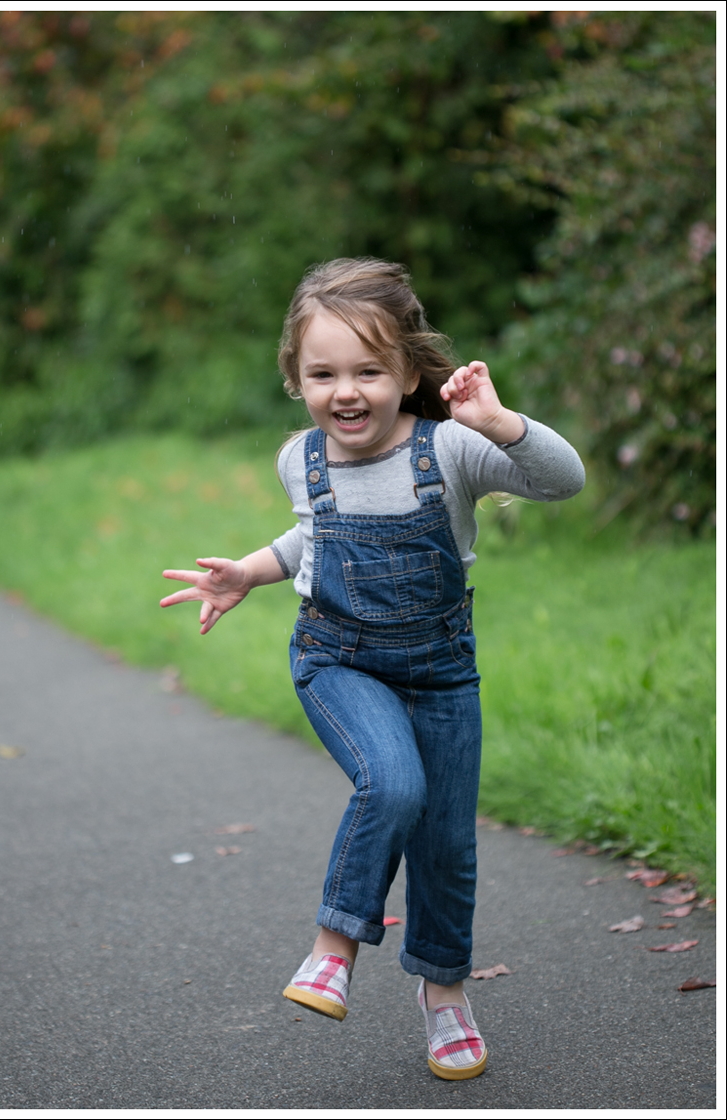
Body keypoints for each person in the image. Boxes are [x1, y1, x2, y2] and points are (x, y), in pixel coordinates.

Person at [160, 258, 584, 1080]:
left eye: (368, 371)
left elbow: (561, 481)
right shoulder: (301, 459)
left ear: (408, 373)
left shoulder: (451, 449)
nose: (345, 392)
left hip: (441, 675)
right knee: (391, 785)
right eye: (323, 374)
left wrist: (500, 423)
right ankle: (334, 946)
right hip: (338, 660)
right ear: (295, 377)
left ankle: (445, 996)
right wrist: (250, 571)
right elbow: (314, 536)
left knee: (446, 847)